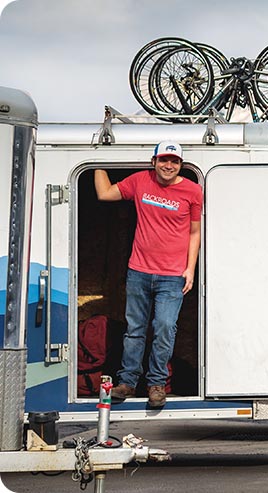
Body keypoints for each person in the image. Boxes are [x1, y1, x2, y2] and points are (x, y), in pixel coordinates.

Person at [93, 141, 203, 408]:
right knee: (135, 329)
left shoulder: (193, 190)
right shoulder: (140, 181)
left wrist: (190, 268)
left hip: (172, 275)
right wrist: (96, 158)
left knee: (165, 327)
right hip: (139, 271)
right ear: (154, 161)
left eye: (175, 161)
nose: (169, 165)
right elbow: (104, 194)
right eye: (164, 160)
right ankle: (128, 383)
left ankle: (156, 384)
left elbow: (194, 232)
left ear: (180, 164)